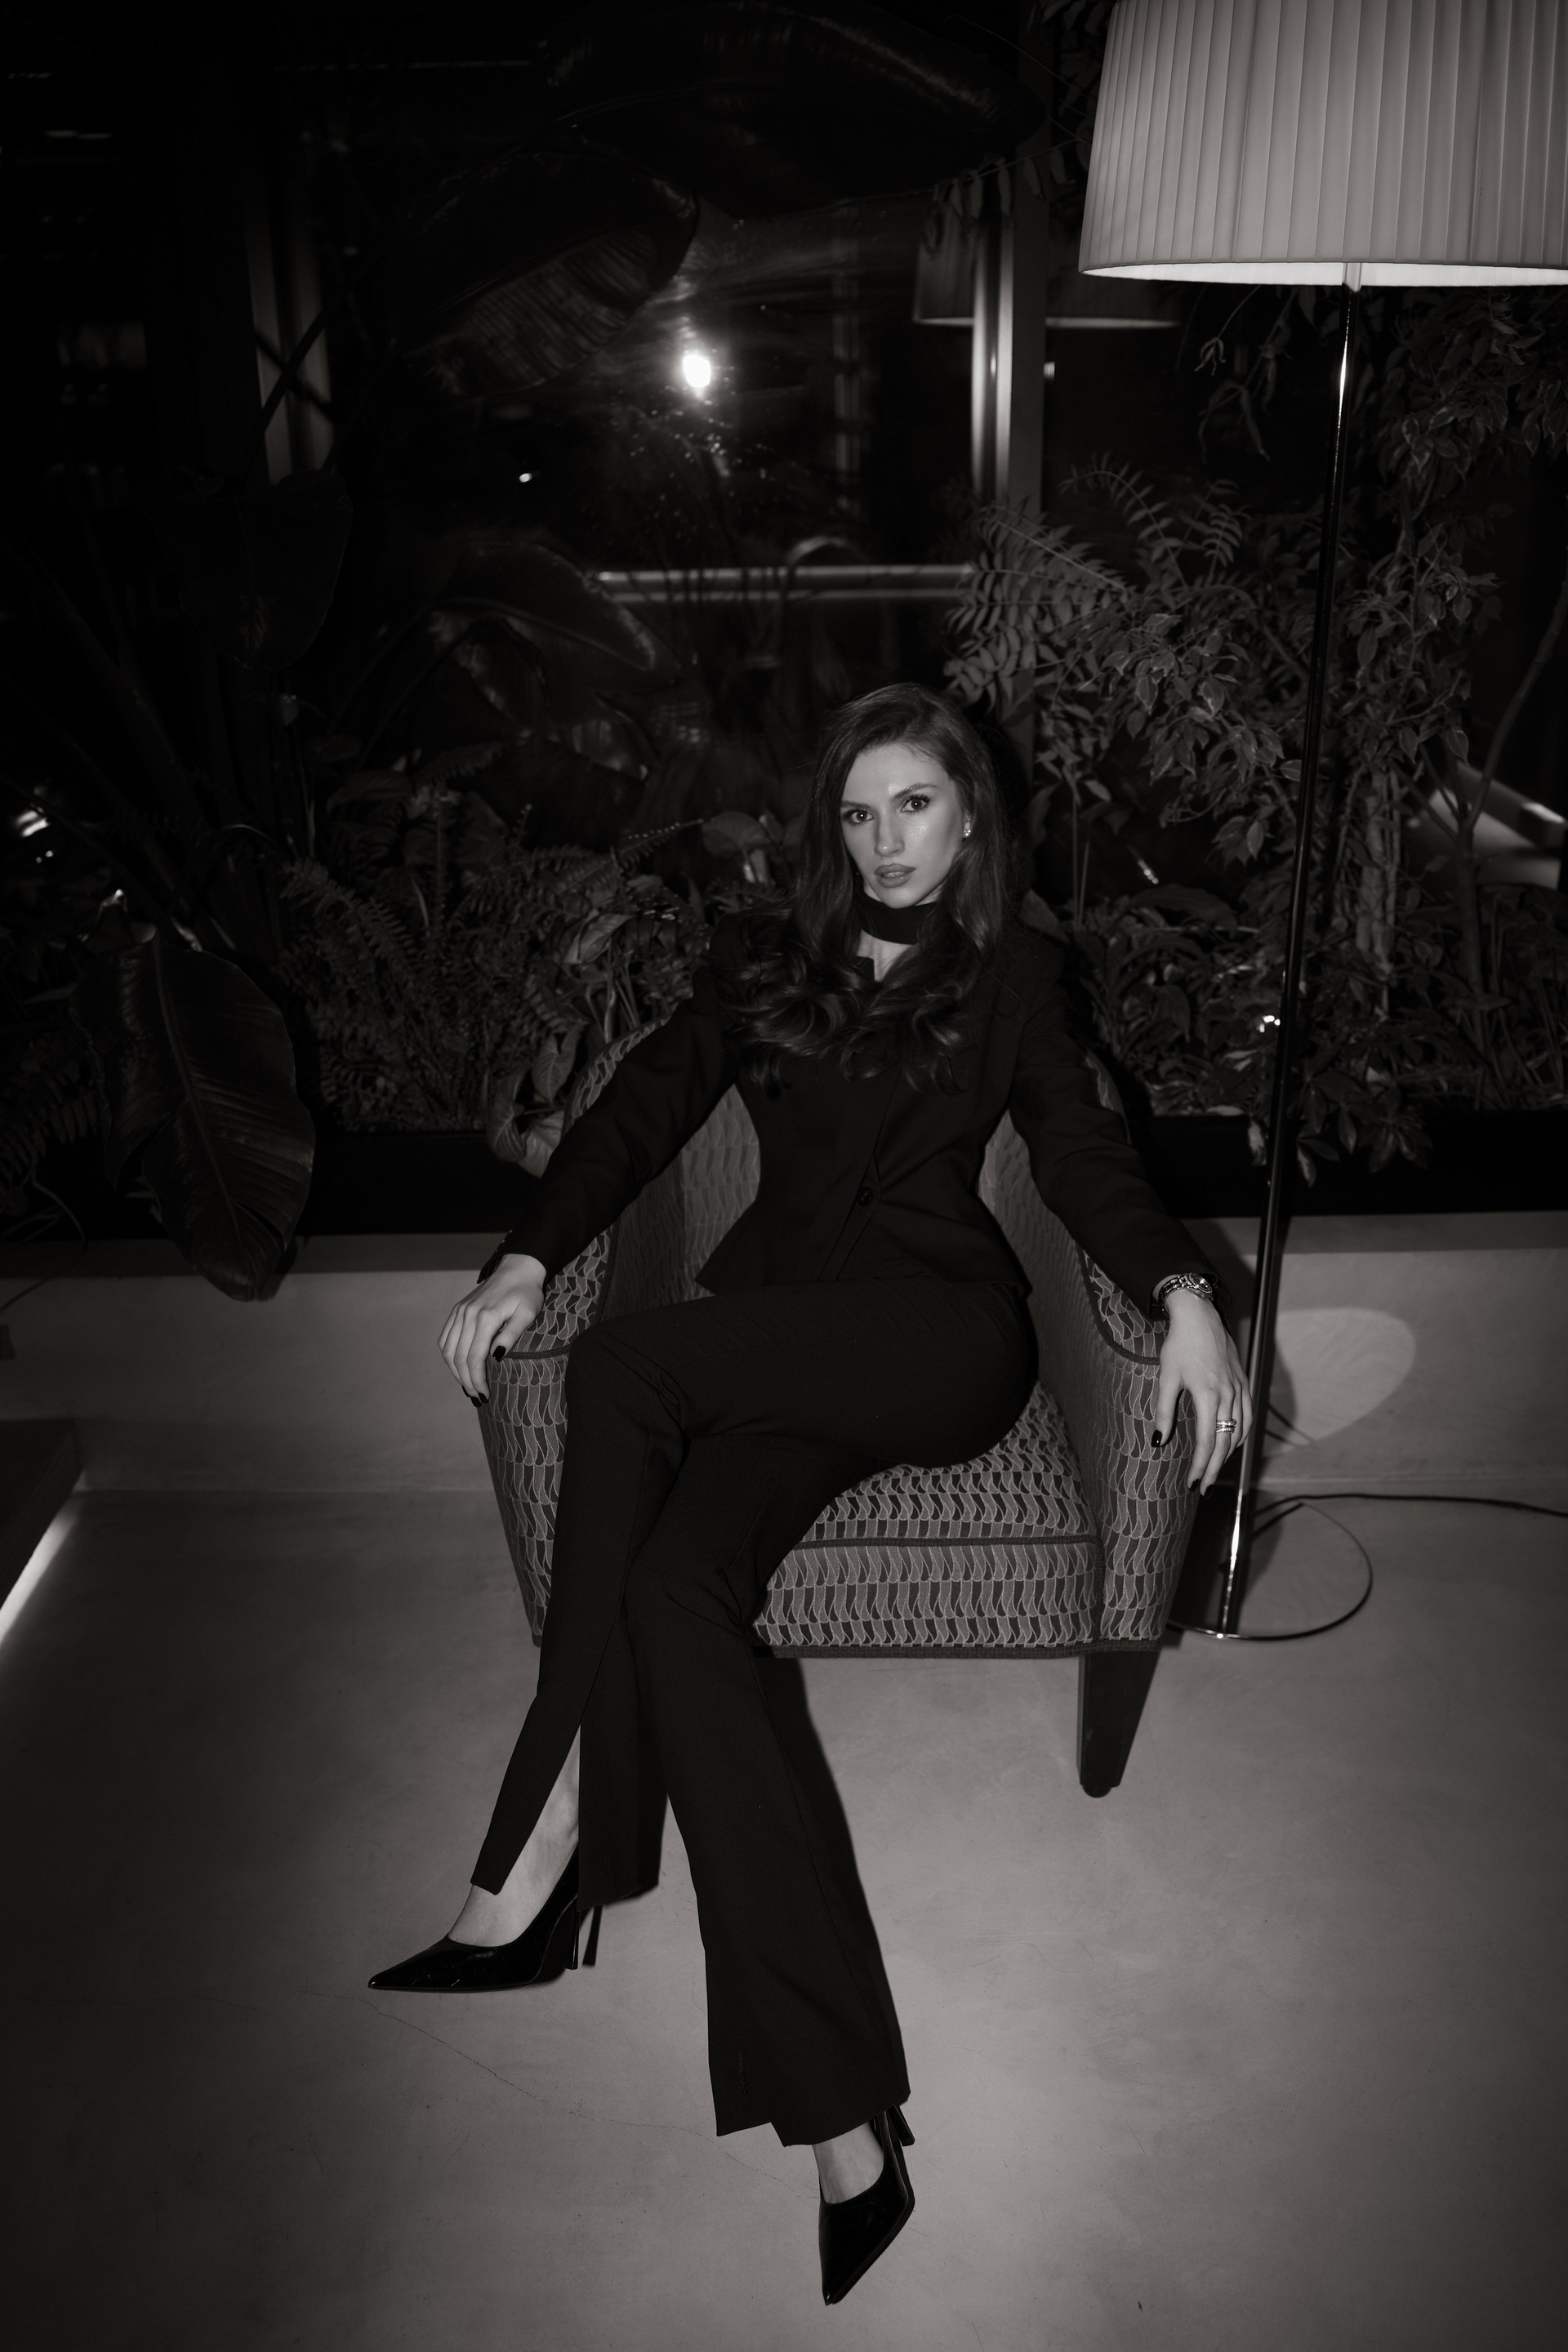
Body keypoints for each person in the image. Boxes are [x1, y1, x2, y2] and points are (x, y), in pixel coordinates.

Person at [370, 684, 1251, 2305]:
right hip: (786, 1345)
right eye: (858, 812)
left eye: (915, 805)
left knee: (626, 1371)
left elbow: (1082, 1155)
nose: (886, 841)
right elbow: (638, 1111)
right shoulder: (764, 962)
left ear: (969, 816)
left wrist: (1182, 1293)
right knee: (671, 1592)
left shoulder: (1017, 979)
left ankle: (549, 1834)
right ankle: (848, 2123)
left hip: (938, 1343)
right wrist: (524, 1255)